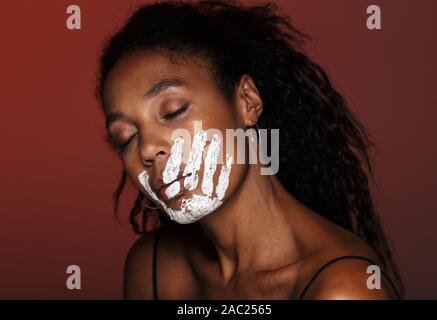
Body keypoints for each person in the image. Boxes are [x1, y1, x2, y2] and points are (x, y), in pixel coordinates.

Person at [95, 0, 403, 300]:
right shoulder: (152, 268)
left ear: (247, 102)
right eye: (125, 137)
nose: (147, 148)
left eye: (173, 111)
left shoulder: (343, 289)